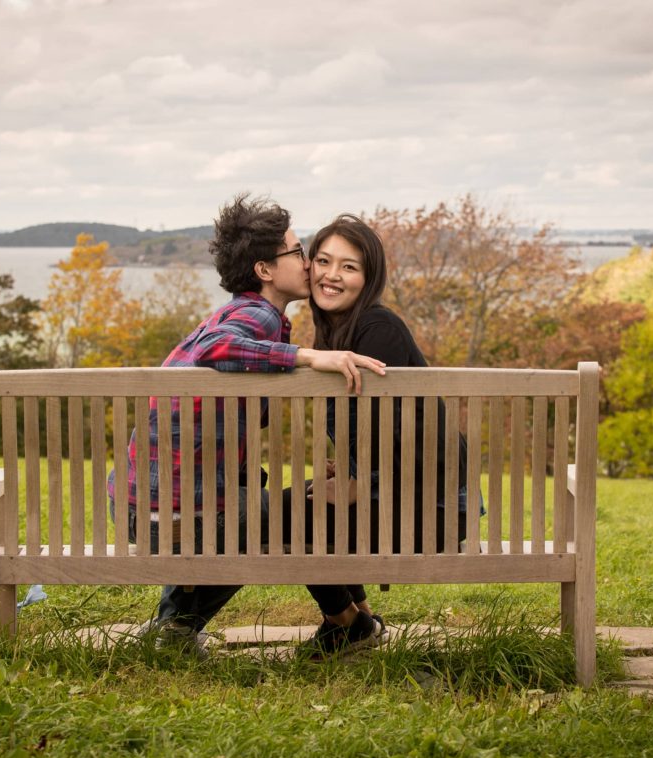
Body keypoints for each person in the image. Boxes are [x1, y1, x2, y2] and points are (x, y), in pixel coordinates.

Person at [107, 195, 386, 656]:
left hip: (147, 504)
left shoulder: (239, 314)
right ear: (265, 270)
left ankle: (351, 621)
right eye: (298, 253)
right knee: (295, 513)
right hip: (172, 515)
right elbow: (218, 348)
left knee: (261, 505)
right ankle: (347, 624)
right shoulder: (253, 315)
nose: (308, 264)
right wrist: (311, 356)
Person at [287, 213, 479, 660]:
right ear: (310, 266)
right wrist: (351, 470)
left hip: (430, 507)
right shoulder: (341, 329)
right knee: (299, 502)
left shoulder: (378, 330)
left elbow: (400, 433)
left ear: (369, 278)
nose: (332, 275)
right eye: (324, 261)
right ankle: (359, 621)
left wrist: (358, 484)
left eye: (349, 267)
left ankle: (348, 624)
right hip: (412, 497)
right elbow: (379, 428)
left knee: (284, 514)